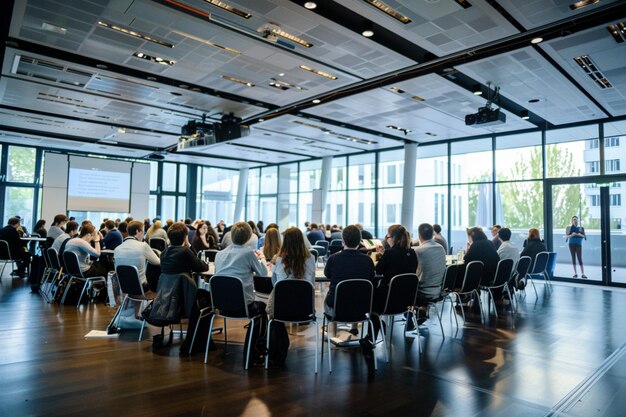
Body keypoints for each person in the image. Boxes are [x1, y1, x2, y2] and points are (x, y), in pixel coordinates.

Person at [214, 221, 268, 363]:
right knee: (262, 308)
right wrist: (261, 258)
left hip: (221, 306)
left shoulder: (219, 254)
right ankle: (253, 351)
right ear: (249, 237)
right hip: (244, 306)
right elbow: (263, 273)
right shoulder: (249, 254)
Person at [324, 225, 375, 345]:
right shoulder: (368, 260)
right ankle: (354, 326)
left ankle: (332, 332)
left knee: (337, 293)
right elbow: (371, 278)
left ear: (343, 241)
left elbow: (328, 275)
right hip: (362, 309)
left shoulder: (334, 259)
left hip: (337, 310)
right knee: (355, 292)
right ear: (360, 241)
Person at [371, 224, 417, 338]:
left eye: (387, 237)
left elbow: (379, 270)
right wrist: (385, 254)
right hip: (406, 301)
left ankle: (370, 338)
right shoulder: (412, 253)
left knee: (370, 299)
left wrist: (384, 255)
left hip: (388, 300)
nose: (386, 239)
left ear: (393, 238)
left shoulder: (390, 253)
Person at [267, 227, 316, 317]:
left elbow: (274, 283)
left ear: (284, 241)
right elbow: (312, 284)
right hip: (304, 308)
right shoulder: (311, 258)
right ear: (302, 240)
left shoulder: (277, 259)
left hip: (280, 307)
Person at [114, 220, 161, 292]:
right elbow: (157, 262)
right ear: (137, 231)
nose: (144, 234)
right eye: (143, 231)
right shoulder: (143, 245)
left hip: (123, 288)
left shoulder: (117, 249)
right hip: (141, 288)